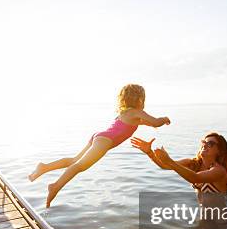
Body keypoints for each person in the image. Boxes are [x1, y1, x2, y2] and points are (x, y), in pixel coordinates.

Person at [29, 84, 171, 207]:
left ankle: (44, 167)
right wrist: (164, 119)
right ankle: (55, 186)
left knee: (74, 161)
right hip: (105, 140)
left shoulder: (127, 113)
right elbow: (155, 122)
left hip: (99, 136)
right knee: (79, 166)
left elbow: (148, 123)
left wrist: (155, 123)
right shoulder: (135, 112)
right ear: (140, 99)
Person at [131, 132, 227, 196]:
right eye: (203, 142)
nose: (205, 145)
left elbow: (195, 178)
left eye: (210, 144)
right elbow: (164, 166)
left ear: (220, 150)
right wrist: (149, 152)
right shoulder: (193, 163)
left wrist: (169, 161)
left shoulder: (219, 171)